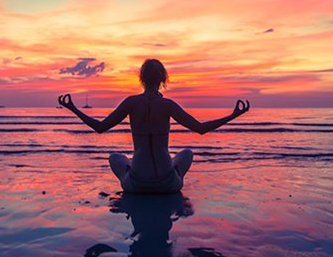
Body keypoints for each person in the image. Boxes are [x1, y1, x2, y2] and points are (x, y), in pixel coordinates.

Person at [57, 59, 250, 194]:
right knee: (187, 153)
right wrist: (233, 115)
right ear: (163, 80)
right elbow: (201, 128)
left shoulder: (131, 102)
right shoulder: (168, 105)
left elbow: (100, 127)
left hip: (136, 185)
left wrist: (73, 108)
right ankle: (168, 172)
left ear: (141, 79)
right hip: (168, 185)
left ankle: (134, 168)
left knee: (116, 157)